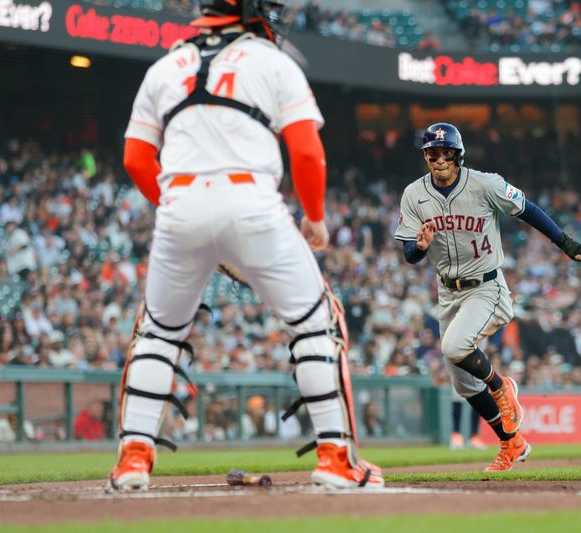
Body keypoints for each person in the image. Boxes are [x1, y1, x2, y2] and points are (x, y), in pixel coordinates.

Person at [109, 0, 383, 491]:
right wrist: (315, 218)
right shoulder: (272, 61)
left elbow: (134, 158)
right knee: (318, 323)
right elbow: (305, 151)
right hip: (253, 204)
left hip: (179, 207)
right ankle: (336, 458)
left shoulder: (163, 66)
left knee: (157, 332)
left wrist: (174, 205)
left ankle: (133, 459)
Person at [395, 123, 581, 471]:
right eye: (432, 153)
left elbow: (528, 209)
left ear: (457, 155)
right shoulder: (413, 194)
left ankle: (500, 385)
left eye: (446, 152)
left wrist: (565, 244)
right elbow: (409, 253)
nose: (439, 159)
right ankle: (513, 443)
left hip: (486, 285)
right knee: (463, 384)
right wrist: (418, 249)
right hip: (447, 291)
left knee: (453, 348)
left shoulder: (485, 183)